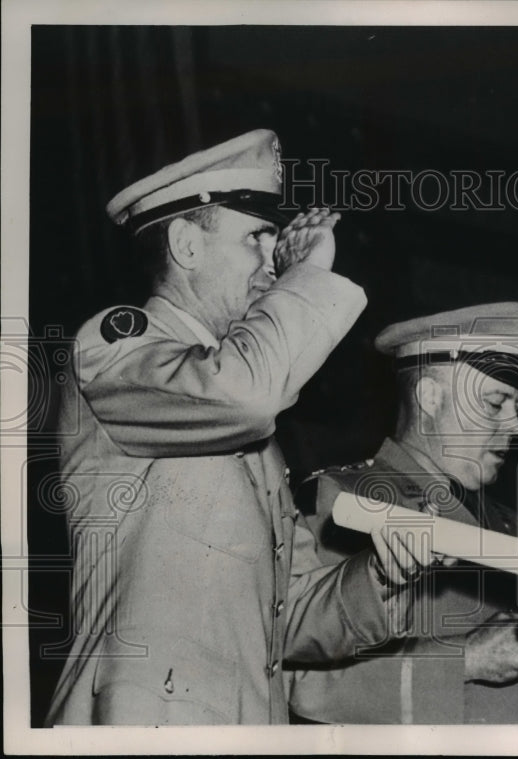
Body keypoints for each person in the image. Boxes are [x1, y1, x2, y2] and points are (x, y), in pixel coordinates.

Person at [45, 130, 428, 726]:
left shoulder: (252, 430)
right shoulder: (115, 347)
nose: (274, 262)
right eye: (256, 237)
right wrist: (311, 273)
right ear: (186, 245)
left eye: (275, 241)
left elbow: (289, 613)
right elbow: (244, 395)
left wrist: (376, 574)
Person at [286, 302, 518, 724]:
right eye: (496, 403)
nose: (515, 426)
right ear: (430, 397)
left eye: (516, 405)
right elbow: (305, 684)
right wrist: (466, 661)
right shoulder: (346, 502)